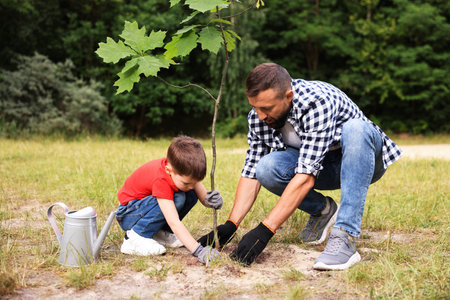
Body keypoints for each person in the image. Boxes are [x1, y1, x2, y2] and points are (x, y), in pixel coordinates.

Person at [198, 63, 402, 270]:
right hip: (321, 166)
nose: (260, 115)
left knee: (356, 129)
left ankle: (345, 235)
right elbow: (251, 172)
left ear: (288, 96)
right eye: (255, 107)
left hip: (363, 161)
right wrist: (231, 225)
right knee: (265, 168)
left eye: (266, 108)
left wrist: (265, 229)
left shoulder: (317, 101)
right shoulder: (259, 118)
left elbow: (306, 174)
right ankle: (323, 211)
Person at [116, 136, 223, 265]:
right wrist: (198, 250)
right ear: (169, 170)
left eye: (194, 182)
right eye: (186, 183)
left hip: (143, 210)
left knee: (190, 193)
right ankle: (135, 237)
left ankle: (160, 233)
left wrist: (212, 200)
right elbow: (174, 222)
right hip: (128, 214)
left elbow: (203, 197)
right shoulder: (161, 179)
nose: (191, 186)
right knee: (178, 198)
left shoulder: (181, 172)